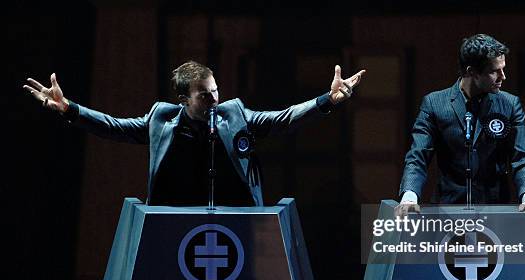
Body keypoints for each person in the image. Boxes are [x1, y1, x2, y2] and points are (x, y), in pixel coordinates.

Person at [24, 61, 365, 206]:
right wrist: (70, 109)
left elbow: (283, 119)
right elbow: (114, 127)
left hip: (236, 223)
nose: (214, 98)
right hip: (174, 224)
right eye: (204, 94)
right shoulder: (162, 118)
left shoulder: (235, 114)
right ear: (184, 99)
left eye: (215, 90)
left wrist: (327, 101)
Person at [395, 34, 525, 227]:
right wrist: (409, 196)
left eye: (503, 69)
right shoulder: (434, 104)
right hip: (446, 214)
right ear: (472, 71)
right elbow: (418, 156)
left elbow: (522, 158)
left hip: (496, 213)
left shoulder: (509, 104)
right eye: (494, 71)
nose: (503, 77)